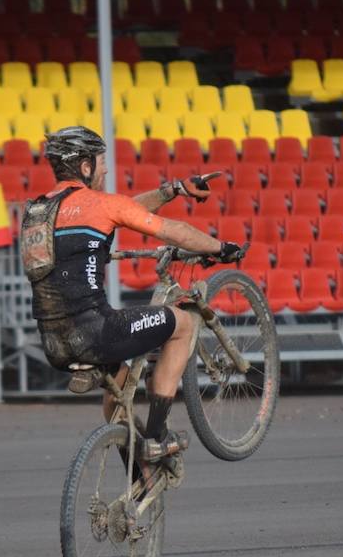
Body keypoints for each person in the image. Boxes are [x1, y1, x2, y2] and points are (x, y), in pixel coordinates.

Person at [21, 126, 244, 465]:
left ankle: (137, 485)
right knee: (184, 324)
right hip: (98, 331)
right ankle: (157, 437)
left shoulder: (37, 212)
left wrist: (173, 190)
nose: (105, 168)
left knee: (120, 386)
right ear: (85, 167)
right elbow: (175, 231)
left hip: (54, 342)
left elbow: (120, 211)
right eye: (100, 161)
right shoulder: (99, 204)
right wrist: (222, 248)